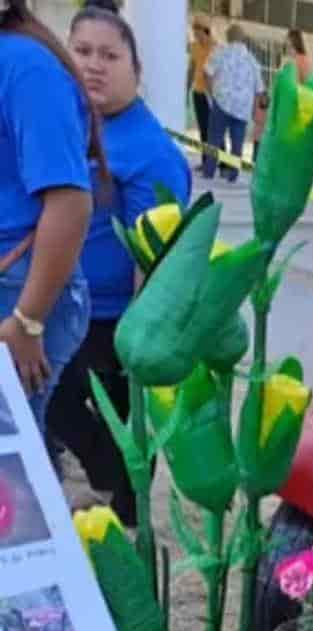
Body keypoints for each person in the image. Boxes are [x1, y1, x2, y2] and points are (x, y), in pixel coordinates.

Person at [47, 3, 190, 522]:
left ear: (136, 69)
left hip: (116, 321)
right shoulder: (71, 124)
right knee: (71, 413)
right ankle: (111, 497)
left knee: (89, 413)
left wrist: (142, 339)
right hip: (64, 301)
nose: (93, 64)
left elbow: (157, 258)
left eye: (110, 55)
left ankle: (123, 510)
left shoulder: (150, 152)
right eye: (81, 51)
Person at [0, 0, 94, 429]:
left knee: (10, 468)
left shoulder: (26, 66)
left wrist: (27, 320)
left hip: (20, 290)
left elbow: (70, 202)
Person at [202, 24, 263, 183]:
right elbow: (259, 90)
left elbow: (207, 73)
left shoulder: (220, 53)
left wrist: (211, 93)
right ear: (243, 39)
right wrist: (255, 110)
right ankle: (232, 175)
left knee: (214, 139)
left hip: (221, 103)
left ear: (228, 37)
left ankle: (209, 172)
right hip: (242, 108)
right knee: (237, 144)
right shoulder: (252, 61)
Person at [189, 14, 214, 169]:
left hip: (211, 94)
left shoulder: (215, 47)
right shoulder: (194, 47)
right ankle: (206, 161)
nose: (195, 35)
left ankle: (221, 160)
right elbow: (191, 68)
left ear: (204, 30)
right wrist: (187, 87)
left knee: (214, 130)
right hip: (198, 92)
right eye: (194, 31)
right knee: (203, 129)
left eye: (197, 31)